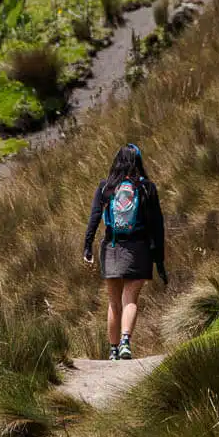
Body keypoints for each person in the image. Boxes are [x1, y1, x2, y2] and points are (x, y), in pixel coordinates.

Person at [83, 143, 167, 360]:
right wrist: (159, 259)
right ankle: (125, 341)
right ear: (138, 161)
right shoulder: (147, 188)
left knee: (113, 302)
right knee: (130, 299)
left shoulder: (105, 188)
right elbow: (157, 225)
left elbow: (93, 218)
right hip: (138, 249)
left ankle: (112, 350)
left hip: (111, 248)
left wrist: (87, 246)